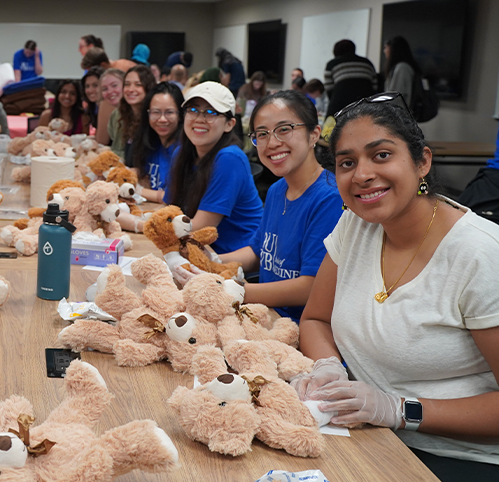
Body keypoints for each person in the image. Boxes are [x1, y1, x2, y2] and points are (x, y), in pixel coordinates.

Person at [295, 92, 499, 482]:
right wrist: (328, 365)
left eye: (382, 155)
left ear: (422, 161)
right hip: (368, 438)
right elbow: (315, 320)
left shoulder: (480, 256)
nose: (363, 175)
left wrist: (399, 409)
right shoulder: (356, 224)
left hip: (458, 460)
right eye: (346, 163)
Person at [212, 90, 343, 320]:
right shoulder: (276, 190)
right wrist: (207, 263)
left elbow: (310, 287)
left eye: (284, 130)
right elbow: (257, 252)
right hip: (262, 315)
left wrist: (235, 290)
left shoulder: (330, 198)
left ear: (314, 134)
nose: (272, 143)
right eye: (261, 134)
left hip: (298, 329)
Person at [165, 82, 263, 253]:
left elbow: (201, 227)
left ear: (229, 124)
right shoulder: (181, 154)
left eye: (211, 112)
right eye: (193, 110)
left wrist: (136, 224)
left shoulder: (229, 158)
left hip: (232, 260)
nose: (199, 119)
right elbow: (171, 210)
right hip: (195, 250)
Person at [131, 82, 184, 203]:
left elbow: (173, 197)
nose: (162, 119)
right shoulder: (150, 143)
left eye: (169, 112)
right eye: (156, 112)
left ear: (180, 115)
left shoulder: (183, 149)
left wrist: (137, 190)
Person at [108, 65, 155, 161]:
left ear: (148, 87)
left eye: (138, 85)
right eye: (127, 84)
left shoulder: (153, 118)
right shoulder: (121, 114)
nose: (130, 89)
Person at [323, 39, 377, 118]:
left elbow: (329, 89)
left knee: (331, 127)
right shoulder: (367, 63)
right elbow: (375, 87)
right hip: (366, 105)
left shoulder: (331, 64)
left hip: (340, 105)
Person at [383, 35, 419, 107]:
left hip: (399, 114)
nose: (384, 51)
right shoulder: (402, 67)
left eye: (386, 47)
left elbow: (396, 97)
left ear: (393, 49)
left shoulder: (401, 68)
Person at [95, 68, 124, 147]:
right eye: (105, 89)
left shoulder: (136, 113)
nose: (110, 91)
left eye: (114, 85)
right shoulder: (115, 114)